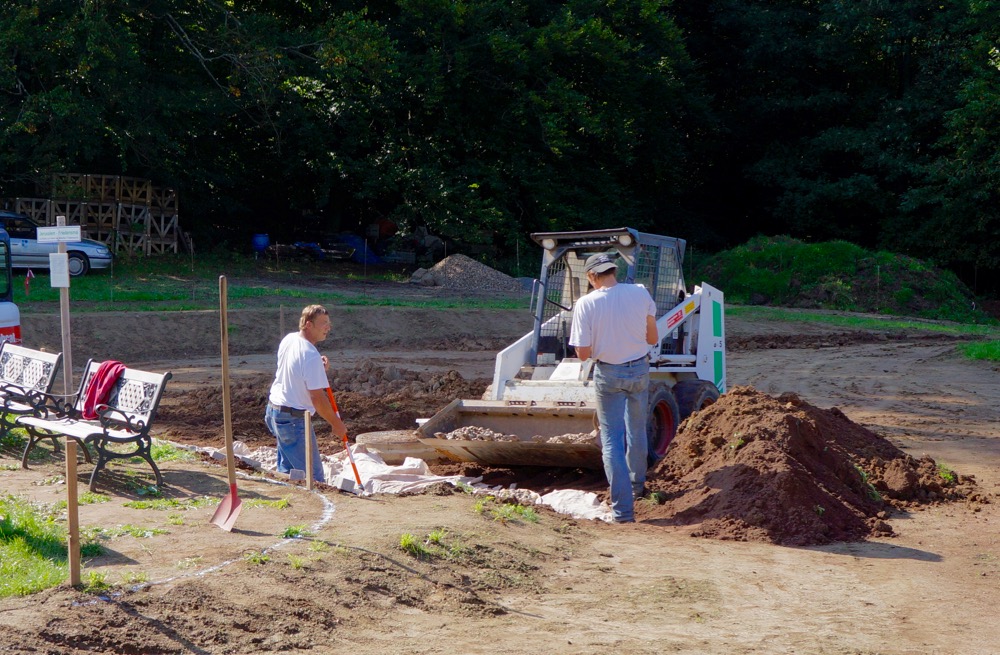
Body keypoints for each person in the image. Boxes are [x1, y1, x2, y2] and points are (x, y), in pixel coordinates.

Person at [569, 253, 658, 523]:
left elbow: (583, 354)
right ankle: (636, 487)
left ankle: (622, 512)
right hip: (640, 369)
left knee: (611, 440)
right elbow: (652, 337)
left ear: (591, 276)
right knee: (636, 429)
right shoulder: (641, 293)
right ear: (613, 271)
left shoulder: (586, 304)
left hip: (609, 373)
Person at [264, 304, 348, 483]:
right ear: (309, 325)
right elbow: (317, 398)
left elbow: (296, 372)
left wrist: (318, 368)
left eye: (329, 323)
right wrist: (336, 423)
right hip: (293, 420)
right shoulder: (310, 354)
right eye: (323, 323)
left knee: (290, 473)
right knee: (313, 478)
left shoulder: (290, 339)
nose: (328, 327)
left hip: (275, 412)